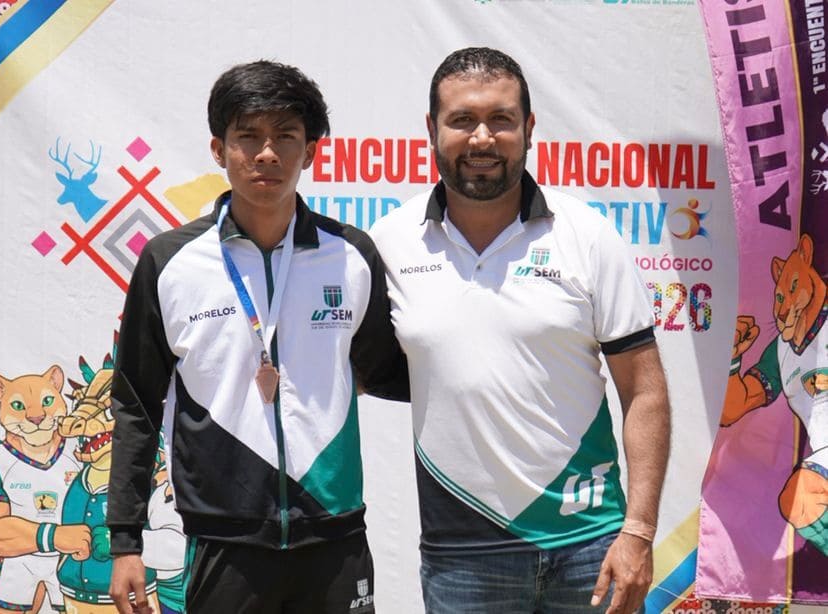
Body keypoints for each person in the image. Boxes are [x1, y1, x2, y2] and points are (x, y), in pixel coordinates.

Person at [369, 47, 670, 614]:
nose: (482, 138)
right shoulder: (389, 243)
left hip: (590, 544)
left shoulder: (587, 235)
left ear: (529, 128)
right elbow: (354, 369)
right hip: (462, 556)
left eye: (501, 119)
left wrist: (639, 531)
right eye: (462, 119)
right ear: (431, 129)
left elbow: (645, 390)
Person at [106, 60, 409, 614]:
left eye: (285, 136)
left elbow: (387, 371)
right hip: (224, 541)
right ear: (218, 150)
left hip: (335, 534)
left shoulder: (352, 255)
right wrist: (126, 541)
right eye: (248, 136)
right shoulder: (170, 262)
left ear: (310, 151)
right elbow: (137, 404)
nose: (267, 153)